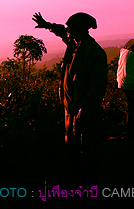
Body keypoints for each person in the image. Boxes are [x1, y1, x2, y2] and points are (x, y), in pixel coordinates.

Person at [32, 11, 107, 158]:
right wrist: (46, 25)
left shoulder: (94, 52)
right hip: (71, 105)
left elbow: (98, 85)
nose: (68, 31)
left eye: (70, 28)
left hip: (84, 109)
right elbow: (62, 31)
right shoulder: (74, 44)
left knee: (86, 145)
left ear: (79, 29)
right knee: (72, 144)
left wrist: (86, 108)